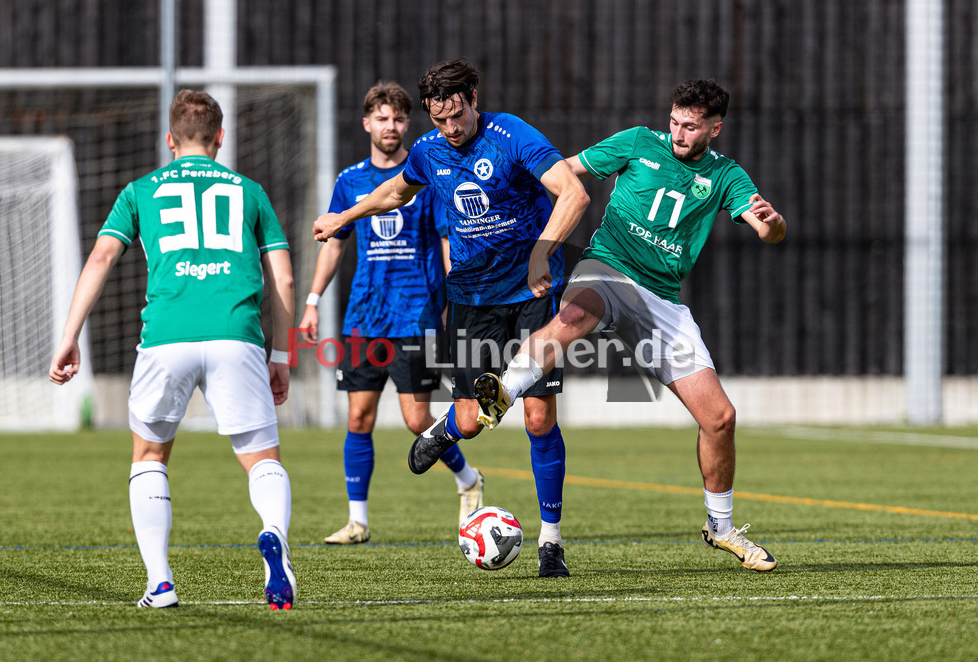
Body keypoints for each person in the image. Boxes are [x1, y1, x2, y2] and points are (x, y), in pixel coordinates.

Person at [474, 78, 786, 572]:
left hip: (660, 300)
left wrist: (772, 224)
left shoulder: (726, 176)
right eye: (675, 122)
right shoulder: (638, 142)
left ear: (714, 128)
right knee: (574, 314)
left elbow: (768, 229)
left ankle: (721, 528)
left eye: (691, 126)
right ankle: (503, 391)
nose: (679, 133)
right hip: (608, 267)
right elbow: (567, 172)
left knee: (720, 418)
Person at [313, 59, 590, 577]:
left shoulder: (512, 135)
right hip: (471, 299)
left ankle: (550, 543)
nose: (450, 129)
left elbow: (573, 193)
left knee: (538, 419)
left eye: (457, 115)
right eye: (440, 120)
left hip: (530, 294)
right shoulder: (428, 150)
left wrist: (541, 253)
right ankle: (447, 430)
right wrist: (345, 217)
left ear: (473, 97)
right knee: (469, 421)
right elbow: (396, 191)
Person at [49, 90, 298, 609]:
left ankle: (160, 581)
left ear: (170, 140)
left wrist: (70, 335)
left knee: (149, 456)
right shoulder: (250, 191)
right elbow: (284, 277)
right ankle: (274, 534)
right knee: (261, 459)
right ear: (220, 139)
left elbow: (99, 259)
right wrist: (281, 356)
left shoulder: (140, 190)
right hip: (236, 334)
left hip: (166, 336)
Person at [298, 81, 484, 543]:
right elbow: (333, 244)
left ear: (407, 124)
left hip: (417, 313)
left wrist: (454, 300)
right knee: (358, 418)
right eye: (382, 118)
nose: (391, 126)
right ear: (367, 124)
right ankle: (357, 521)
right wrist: (312, 301)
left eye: (399, 118)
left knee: (417, 421)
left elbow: (446, 239)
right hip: (365, 314)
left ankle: (468, 478)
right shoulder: (350, 181)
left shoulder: (424, 172)